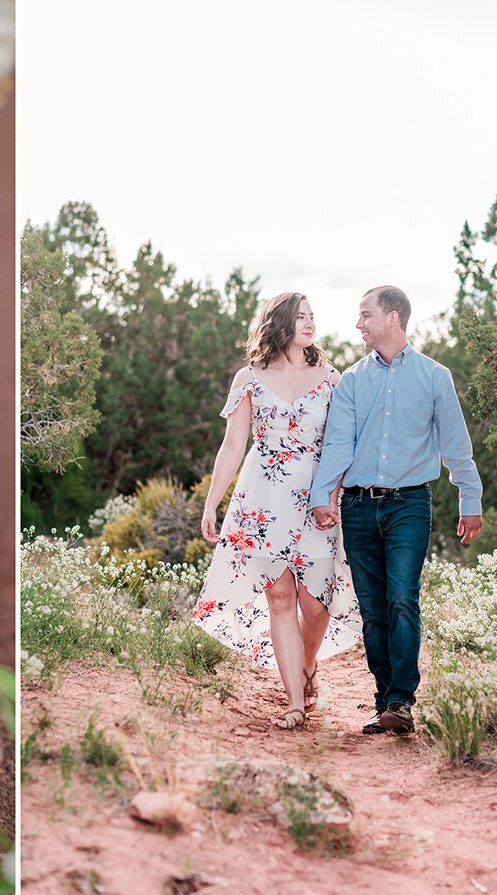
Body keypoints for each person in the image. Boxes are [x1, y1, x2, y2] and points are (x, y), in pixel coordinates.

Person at [310, 285, 483, 736]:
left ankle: (401, 702)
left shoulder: (434, 377)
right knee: (373, 609)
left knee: (402, 598)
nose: (358, 324)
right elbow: (337, 445)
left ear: (393, 318)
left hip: (410, 502)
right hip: (358, 507)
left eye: (365, 315)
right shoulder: (350, 381)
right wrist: (322, 496)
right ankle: (384, 697)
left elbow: (456, 444)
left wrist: (470, 498)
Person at [192, 291, 361, 730]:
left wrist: (336, 493)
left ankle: (307, 666)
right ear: (280, 323)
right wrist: (213, 502)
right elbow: (233, 446)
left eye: (312, 316)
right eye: (301, 316)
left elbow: (343, 445)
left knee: (316, 604)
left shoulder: (330, 378)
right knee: (281, 598)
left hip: (317, 498)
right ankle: (294, 702)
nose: (310, 323)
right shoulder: (248, 378)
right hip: (262, 498)